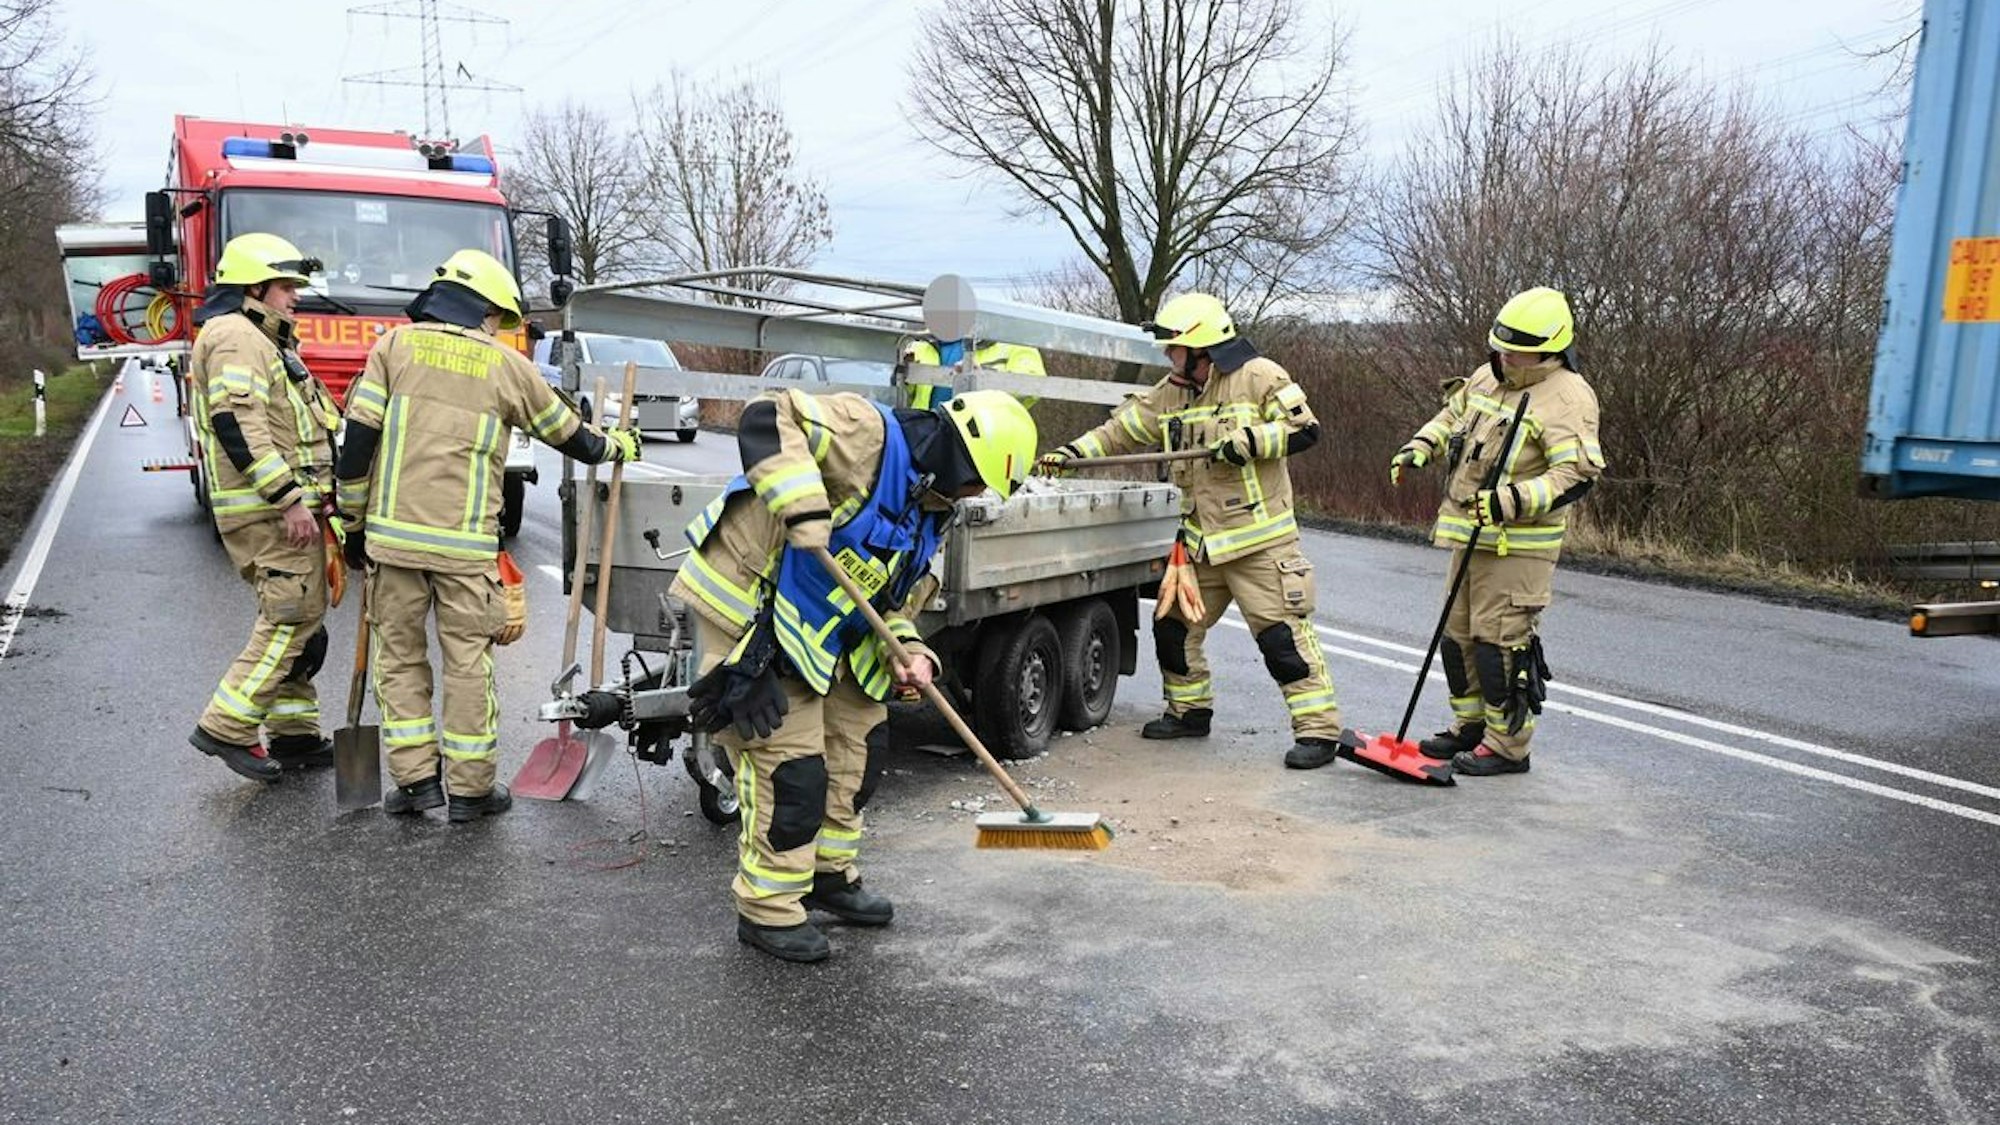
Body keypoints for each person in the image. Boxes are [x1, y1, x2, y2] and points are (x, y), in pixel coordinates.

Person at [671, 387, 1036, 963]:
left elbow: (894, 603)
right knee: (791, 769)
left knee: (858, 748)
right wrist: (802, 504)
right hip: (751, 606)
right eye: (975, 483)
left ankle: (828, 876)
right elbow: (769, 413)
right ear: (958, 456)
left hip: (823, 626)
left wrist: (913, 652)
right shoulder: (866, 434)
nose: (972, 498)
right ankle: (768, 909)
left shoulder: (928, 511)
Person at [334, 249, 641, 821]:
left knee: (399, 661)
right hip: (464, 548)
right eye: (499, 317)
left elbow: (356, 446)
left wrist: (353, 526)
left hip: (392, 544)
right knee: (468, 665)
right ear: (484, 310)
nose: (498, 327)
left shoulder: (393, 349)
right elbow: (568, 434)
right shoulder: (505, 367)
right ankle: (472, 792)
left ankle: (417, 783)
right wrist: (617, 446)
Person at [1039, 293, 1346, 769]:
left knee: (1282, 640)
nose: (1168, 355)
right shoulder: (1170, 392)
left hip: (1259, 543)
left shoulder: (1260, 376)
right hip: (1201, 546)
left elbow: (1305, 430)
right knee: (1173, 628)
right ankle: (1189, 712)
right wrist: (1072, 453)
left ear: (1202, 348)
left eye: (1174, 347)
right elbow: (1121, 430)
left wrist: (1248, 441)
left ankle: (1318, 733)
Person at [1389, 286, 1604, 776]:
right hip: (1469, 534)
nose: (1506, 354)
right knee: (1458, 638)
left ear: (1550, 347)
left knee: (1499, 644)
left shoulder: (1569, 396)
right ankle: (1469, 728)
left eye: (1518, 348)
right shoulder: (1489, 376)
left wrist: (1508, 503)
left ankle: (1507, 747)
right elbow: (1453, 416)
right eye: (1502, 344)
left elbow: (1575, 475)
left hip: (1519, 546)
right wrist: (1420, 446)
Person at [187, 233, 343, 781]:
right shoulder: (235, 335)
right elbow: (238, 422)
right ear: (255, 287)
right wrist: (289, 499)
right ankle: (226, 727)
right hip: (270, 512)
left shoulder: (261, 337)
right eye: (286, 286)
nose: (296, 296)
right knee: (289, 618)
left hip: (284, 510)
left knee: (303, 624)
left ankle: (295, 736)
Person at [900, 336, 1045, 409]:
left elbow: (1034, 387)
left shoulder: (1015, 343)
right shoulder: (919, 346)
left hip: (982, 442)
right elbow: (908, 397)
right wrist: (905, 376)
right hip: (924, 439)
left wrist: (984, 380)